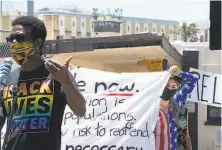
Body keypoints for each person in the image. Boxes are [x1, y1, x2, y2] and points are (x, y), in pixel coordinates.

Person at [0, 16, 86, 150]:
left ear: (37, 43)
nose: (14, 43)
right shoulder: (9, 78)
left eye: (20, 38)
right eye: (11, 39)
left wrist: (66, 82)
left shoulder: (56, 73)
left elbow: (80, 110)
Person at [154, 65, 197, 150]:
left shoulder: (176, 102)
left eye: (174, 87)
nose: (170, 89)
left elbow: (192, 80)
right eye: (167, 85)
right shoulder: (151, 107)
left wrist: (180, 73)